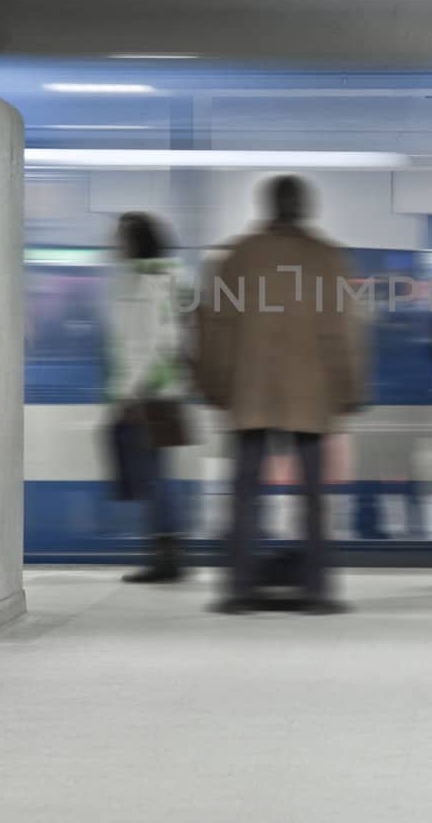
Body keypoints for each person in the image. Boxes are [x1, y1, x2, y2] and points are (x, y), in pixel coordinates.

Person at [195, 175, 363, 615]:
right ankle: (317, 591)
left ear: (268, 206)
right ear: (304, 207)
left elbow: (216, 328)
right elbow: (344, 332)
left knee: (244, 493)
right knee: (312, 496)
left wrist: (214, 385)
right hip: (310, 394)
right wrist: (350, 389)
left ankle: (239, 589)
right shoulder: (327, 258)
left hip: (250, 391)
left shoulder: (239, 256)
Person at [103, 214, 187, 584]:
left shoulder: (149, 280)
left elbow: (155, 341)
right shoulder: (159, 276)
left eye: (121, 237)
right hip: (156, 390)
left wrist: (131, 391)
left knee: (153, 478)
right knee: (154, 476)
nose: (116, 244)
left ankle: (166, 555)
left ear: (137, 241)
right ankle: (166, 550)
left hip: (150, 393)